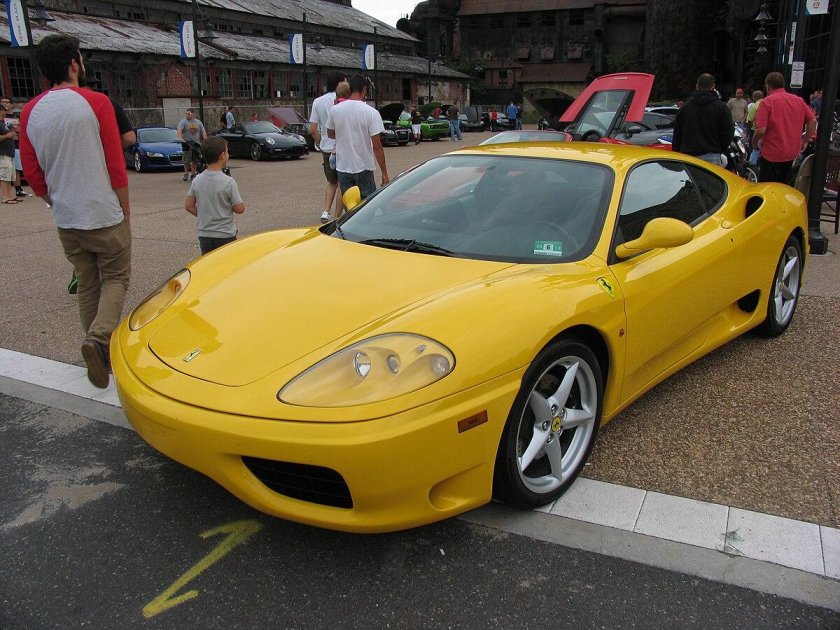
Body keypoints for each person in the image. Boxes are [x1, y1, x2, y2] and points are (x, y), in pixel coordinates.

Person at [19, 34, 131, 389]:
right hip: (102, 211)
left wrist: (54, 200)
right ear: (74, 63)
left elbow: (32, 172)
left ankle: (97, 350)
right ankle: (98, 341)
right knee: (115, 278)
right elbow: (115, 164)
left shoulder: (29, 111)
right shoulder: (96, 102)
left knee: (87, 281)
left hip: (66, 217)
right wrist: (125, 210)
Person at [326, 74, 389, 201]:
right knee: (367, 205)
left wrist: (344, 132)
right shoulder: (371, 112)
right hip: (364, 166)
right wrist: (384, 173)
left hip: (344, 166)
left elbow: (330, 134)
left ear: (350, 90)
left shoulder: (335, 110)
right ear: (364, 90)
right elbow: (377, 146)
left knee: (349, 205)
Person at [184, 136, 245, 255]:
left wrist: (204, 214)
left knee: (209, 266)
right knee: (226, 266)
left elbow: (188, 205)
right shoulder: (228, 182)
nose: (228, 154)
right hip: (225, 234)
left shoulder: (197, 180)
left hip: (205, 234)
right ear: (222, 155)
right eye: (227, 151)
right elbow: (240, 208)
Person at [753, 72, 817, 184]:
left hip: (771, 154)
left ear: (768, 86)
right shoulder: (799, 100)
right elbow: (812, 121)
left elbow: (761, 130)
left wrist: (754, 142)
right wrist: (805, 141)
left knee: (768, 188)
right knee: (785, 187)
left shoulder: (767, 102)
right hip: (791, 153)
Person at [310, 72, 348, 224]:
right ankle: (338, 217)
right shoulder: (344, 100)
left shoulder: (317, 101)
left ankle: (326, 211)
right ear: (340, 83)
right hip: (342, 147)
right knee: (343, 182)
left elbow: (313, 129)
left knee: (332, 182)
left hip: (326, 148)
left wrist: (321, 141)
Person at [672, 73, 733, 166]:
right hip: (712, 154)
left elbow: (677, 133)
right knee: (711, 180)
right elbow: (728, 132)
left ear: (697, 86)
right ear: (713, 86)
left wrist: (678, 152)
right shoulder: (721, 107)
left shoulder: (684, 108)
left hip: (688, 155)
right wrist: (720, 149)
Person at [176, 108, 207, 181]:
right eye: (186, 113)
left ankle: (193, 173)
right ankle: (186, 173)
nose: (187, 115)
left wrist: (206, 140)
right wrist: (180, 138)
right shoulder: (183, 122)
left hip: (196, 143)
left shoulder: (198, 122)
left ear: (193, 114)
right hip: (187, 143)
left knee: (195, 159)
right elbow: (179, 130)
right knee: (186, 160)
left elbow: (203, 132)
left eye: (189, 114)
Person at [0, 110, 18, 204]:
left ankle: (10, 195)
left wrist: (13, 129)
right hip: (2, 153)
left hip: (9, 152)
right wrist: (7, 136)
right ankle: (5, 197)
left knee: (10, 175)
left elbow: (14, 133)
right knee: (4, 175)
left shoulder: (5, 122)